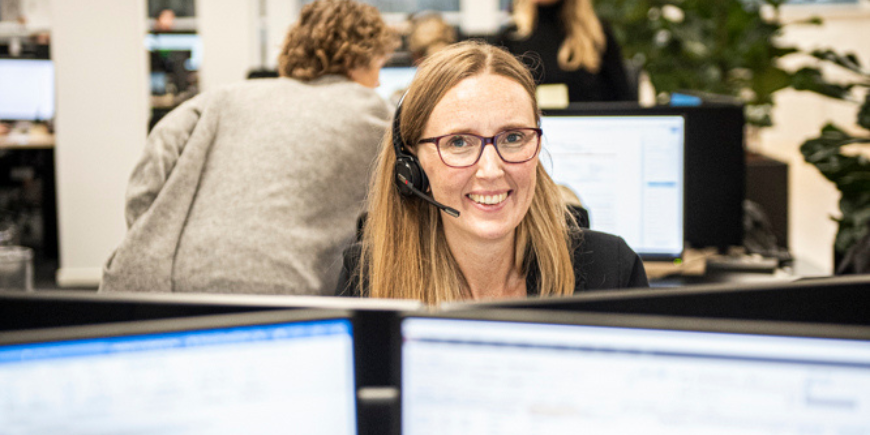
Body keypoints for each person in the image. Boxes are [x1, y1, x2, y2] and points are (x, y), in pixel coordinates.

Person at [100, 0, 398, 295]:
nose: (378, 81)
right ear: (359, 58)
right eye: (378, 66)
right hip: (280, 290)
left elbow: (147, 180)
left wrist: (154, 239)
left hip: (159, 286)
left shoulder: (220, 98)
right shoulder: (371, 112)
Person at [335, 41, 648, 305]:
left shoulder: (611, 272)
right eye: (459, 142)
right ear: (412, 164)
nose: (490, 169)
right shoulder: (369, 279)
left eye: (512, 138)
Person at [497, 0, 633, 102]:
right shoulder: (510, 37)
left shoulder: (597, 34)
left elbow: (623, 98)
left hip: (588, 129)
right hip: (530, 132)